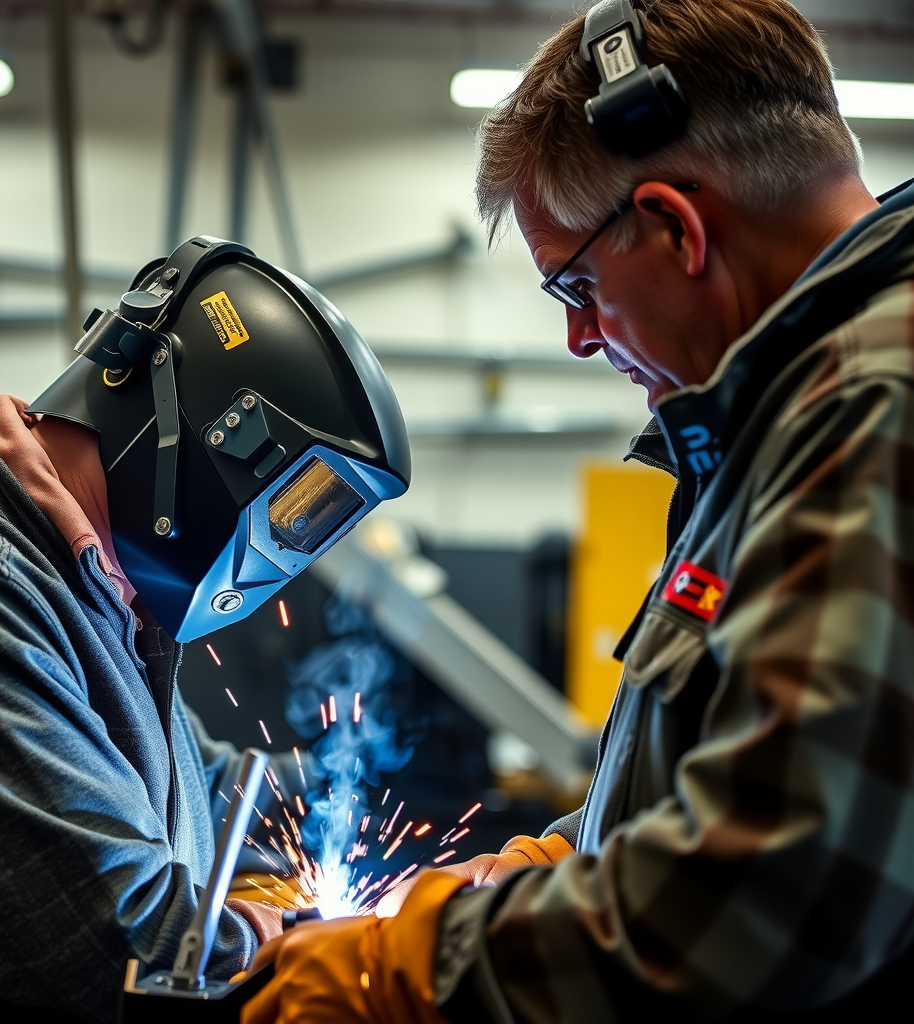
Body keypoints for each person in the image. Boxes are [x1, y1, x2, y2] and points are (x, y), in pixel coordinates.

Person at [242, 1, 914, 1021]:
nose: (580, 339)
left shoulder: (869, 408)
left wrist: (412, 968)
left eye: (577, 288)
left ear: (674, 227)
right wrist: (549, 864)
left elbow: (774, 887)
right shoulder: (773, 421)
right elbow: (719, 781)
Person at [0, 238, 410, 1021]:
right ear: (203, 435)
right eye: (289, 510)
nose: (279, 555)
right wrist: (331, 946)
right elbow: (123, 943)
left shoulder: (97, 587)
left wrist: (358, 823)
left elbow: (196, 782)